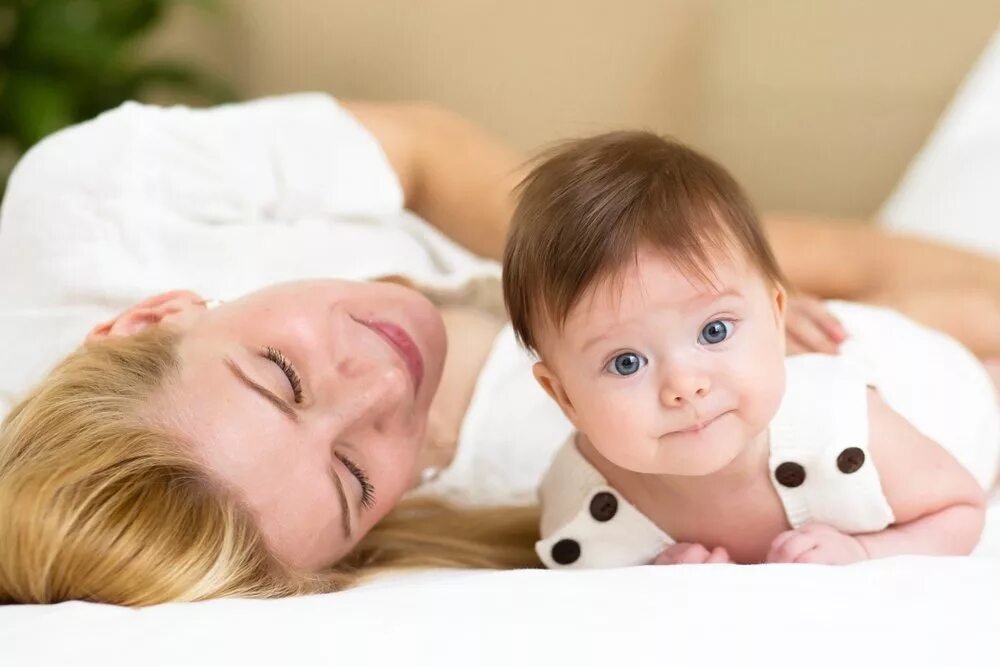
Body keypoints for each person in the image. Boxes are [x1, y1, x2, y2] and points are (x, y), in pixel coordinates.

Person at [0, 94, 998, 606]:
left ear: (150, 316)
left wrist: (623, 283)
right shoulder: (533, 481)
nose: (383, 382)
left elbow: (424, 147)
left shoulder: (93, 218)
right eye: (353, 476)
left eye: (282, 373)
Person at [501, 131, 1000, 569]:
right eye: (626, 363)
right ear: (562, 395)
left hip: (916, 377)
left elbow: (958, 508)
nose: (685, 385)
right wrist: (653, 570)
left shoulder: (842, 421)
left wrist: (867, 553)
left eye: (714, 331)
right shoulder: (581, 505)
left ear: (777, 311)